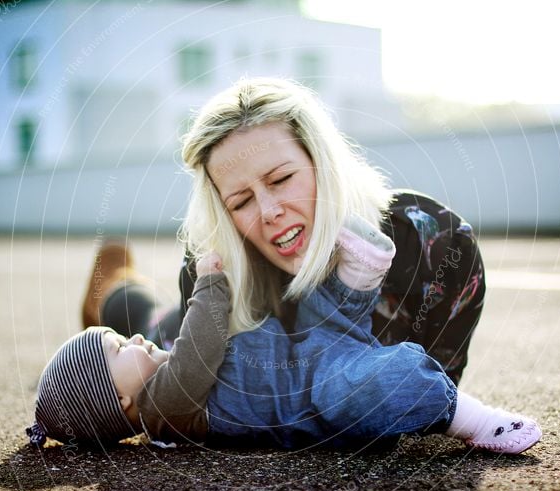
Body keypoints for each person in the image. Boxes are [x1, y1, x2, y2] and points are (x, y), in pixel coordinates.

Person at [82, 77, 485, 386]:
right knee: (150, 325)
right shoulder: (213, 267)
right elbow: (195, 404)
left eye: (281, 178)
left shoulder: (438, 247)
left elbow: (433, 397)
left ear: (321, 160)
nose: (270, 212)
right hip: (167, 330)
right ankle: (113, 287)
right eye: (240, 202)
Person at [28, 218, 541, 453]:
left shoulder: (156, 384)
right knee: (152, 319)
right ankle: (111, 295)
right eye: (118, 349)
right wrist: (211, 284)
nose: (132, 344)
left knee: (328, 321)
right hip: (312, 385)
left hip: (299, 353)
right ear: (119, 400)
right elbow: (200, 346)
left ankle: (356, 275)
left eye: (119, 340)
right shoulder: (165, 408)